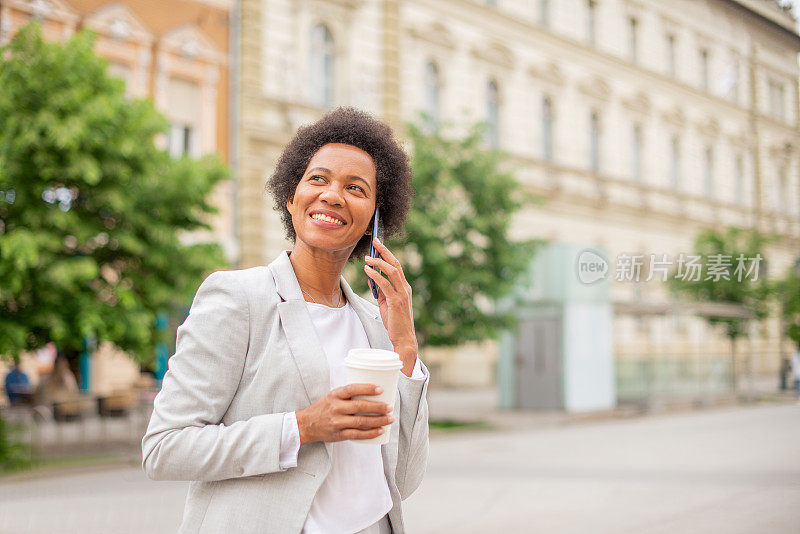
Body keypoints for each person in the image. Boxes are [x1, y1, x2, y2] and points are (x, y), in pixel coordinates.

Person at [142, 107, 430, 534]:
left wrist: (405, 349)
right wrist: (302, 427)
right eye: (318, 179)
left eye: (355, 187)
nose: (333, 195)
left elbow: (402, 478)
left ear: (375, 219)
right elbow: (165, 449)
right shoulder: (237, 299)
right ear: (291, 198)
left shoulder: (375, 323)